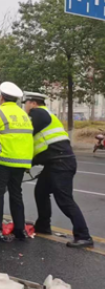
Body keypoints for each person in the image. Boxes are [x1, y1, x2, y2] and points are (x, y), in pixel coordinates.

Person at [23, 92, 93, 248]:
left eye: (25, 103)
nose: (25, 107)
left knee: (65, 200)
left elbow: (25, 135)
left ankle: (84, 235)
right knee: (41, 191)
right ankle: (43, 225)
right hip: (55, 162)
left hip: (60, 163)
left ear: (33, 103)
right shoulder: (47, 116)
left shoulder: (38, 113)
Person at [0, 82, 34, 243]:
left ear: (1, 98)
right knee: (16, 194)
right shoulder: (24, 115)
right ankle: (20, 230)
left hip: (4, 159)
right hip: (22, 161)